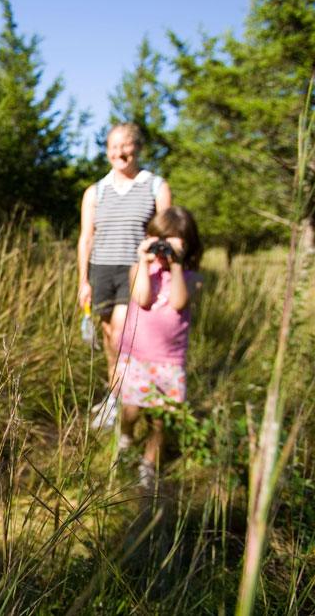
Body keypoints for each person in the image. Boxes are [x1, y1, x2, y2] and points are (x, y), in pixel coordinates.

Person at [77, 123, 171, 427]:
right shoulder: (96, 191)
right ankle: (116, 396)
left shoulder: (156, 186)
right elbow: (86, 238)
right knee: (109, 340)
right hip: (102, 270)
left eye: (126, 145)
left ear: (138, 148)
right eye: (113, 147)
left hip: (137, 271)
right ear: (106, 152)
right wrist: (83, 281)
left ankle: (127, 401)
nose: (120, 152)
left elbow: (166, 234)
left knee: (122, 333)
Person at [116, 207, 203, 490]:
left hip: (168, 361)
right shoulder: (140, 270)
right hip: (136, 356)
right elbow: (141, 298)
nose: (165, 245)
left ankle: (149, 464)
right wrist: (143, 261)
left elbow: (178, 302)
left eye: (174, 240)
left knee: (159, 419)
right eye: (160, 238)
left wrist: (176, 265)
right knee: (130, 409)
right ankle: (126, 437)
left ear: (187, 244)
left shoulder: (192, 277)